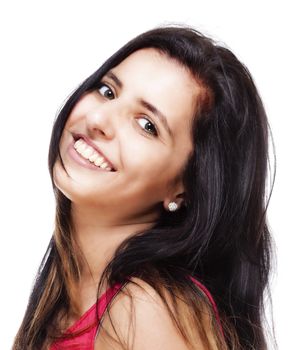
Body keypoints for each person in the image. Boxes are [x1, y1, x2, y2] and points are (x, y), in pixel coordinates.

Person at [13, 24, 275, 350]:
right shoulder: (59, 301)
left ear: (184, 189)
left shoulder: (145, 312)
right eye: (108, 91)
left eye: (147, 125)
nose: (98, 121)